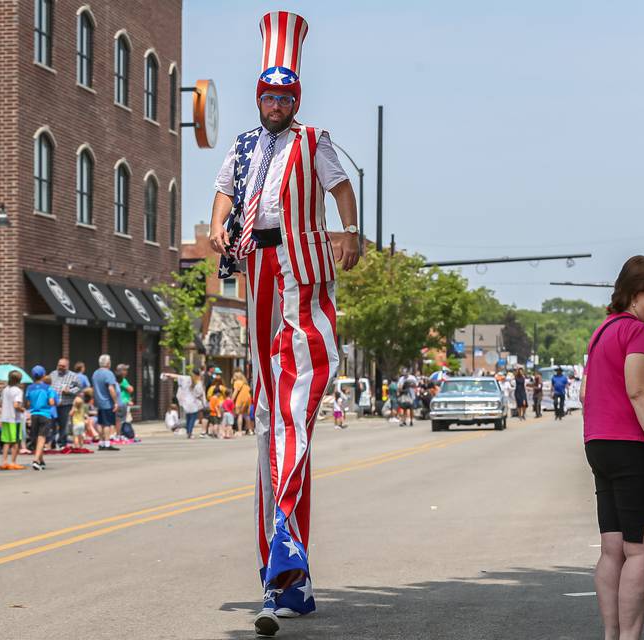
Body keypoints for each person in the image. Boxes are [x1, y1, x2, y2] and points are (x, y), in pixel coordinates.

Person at [208, 10, 359, 634]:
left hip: (298, 264)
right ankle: (284, 566)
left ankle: (287, 562)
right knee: (271, 414)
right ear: (259, 98)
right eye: (266, 94)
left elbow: (341, 187)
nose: (274, 103)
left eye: (283, 95)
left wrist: (349, 230)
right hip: (255, 267)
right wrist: (219, 225)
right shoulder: (242, 146)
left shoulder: (313, 140)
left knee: (291, 408)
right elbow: (223, 196)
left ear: (294, 99)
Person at [581, 255, 644, 640]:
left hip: (599, 443)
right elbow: (639, 392)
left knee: (613, 547)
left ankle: (612, 634)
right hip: (633, 446)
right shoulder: (638, 334)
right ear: (637, 292)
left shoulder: (604, 329)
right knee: (642, 549)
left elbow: (587, 391)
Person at [25, 365, 56, 470]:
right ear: (43, 375)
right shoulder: (48, 388)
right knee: (42, 437)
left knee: (36, 438)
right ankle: (36, 460)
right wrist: (49, 402)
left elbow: (28, 404)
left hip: (34, 414)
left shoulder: (29, 388)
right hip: (45, 414)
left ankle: (41, 460)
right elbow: (51, 402)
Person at [162, 370, 205, 439]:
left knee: (188, 417)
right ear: (198, 375)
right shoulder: (198, 382)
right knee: (193, 418)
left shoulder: (187, 378)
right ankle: (190, 432)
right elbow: (199, 393)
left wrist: (167, 374)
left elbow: (177, 376)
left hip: (186, 402)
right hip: (193, 402)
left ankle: (188, 431)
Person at [50, 358, 82, 448]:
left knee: (64, 425)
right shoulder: (53, 374)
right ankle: (52, 443)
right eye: (59, 365)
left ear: (67, 366)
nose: (60, 367)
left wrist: (70, 391)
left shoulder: (73, 376)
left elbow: (79, 388)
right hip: (54, 405)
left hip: (66, 405)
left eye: (63, 366)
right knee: (52, 424)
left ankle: (62, 443)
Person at [91, 354, 120, 451]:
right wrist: (116, 402)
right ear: (108, 363)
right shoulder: (108, 373)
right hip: (107, 402)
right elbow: (111, 388)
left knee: (100, 423)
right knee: (107, 424)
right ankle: (107, 444)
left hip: (98, 402)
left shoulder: (95, 373)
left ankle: (101, 442)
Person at [0, 371, 26, 470]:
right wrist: (22, 409)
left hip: (5, 418)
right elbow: (16, 405)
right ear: (19, 380)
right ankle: (13, 462)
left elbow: (0, 404)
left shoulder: (5, 390)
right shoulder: (18, 391)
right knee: (15, 442)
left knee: (6, 441)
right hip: (14, 419)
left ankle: (4, 462)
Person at [115, 364, 134, 440]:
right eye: (125, 370)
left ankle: (121, 434)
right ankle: (121, 434)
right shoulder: (122, 380)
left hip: (124, 402)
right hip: (123, 402)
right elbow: (130, 389)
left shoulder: (122, 380)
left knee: (123, 420)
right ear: (121, 371)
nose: (126, 372)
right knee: (124, 420)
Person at [232, 370, 252, 436]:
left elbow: (235, 392)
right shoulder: (245, 383)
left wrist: (231, 399)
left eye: (234, 376)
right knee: (246, 415)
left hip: (240, 399)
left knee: (240, 414)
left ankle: (240, 430)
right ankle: (250, 430)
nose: (233, 377)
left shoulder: (237, 382)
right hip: (248, 399)